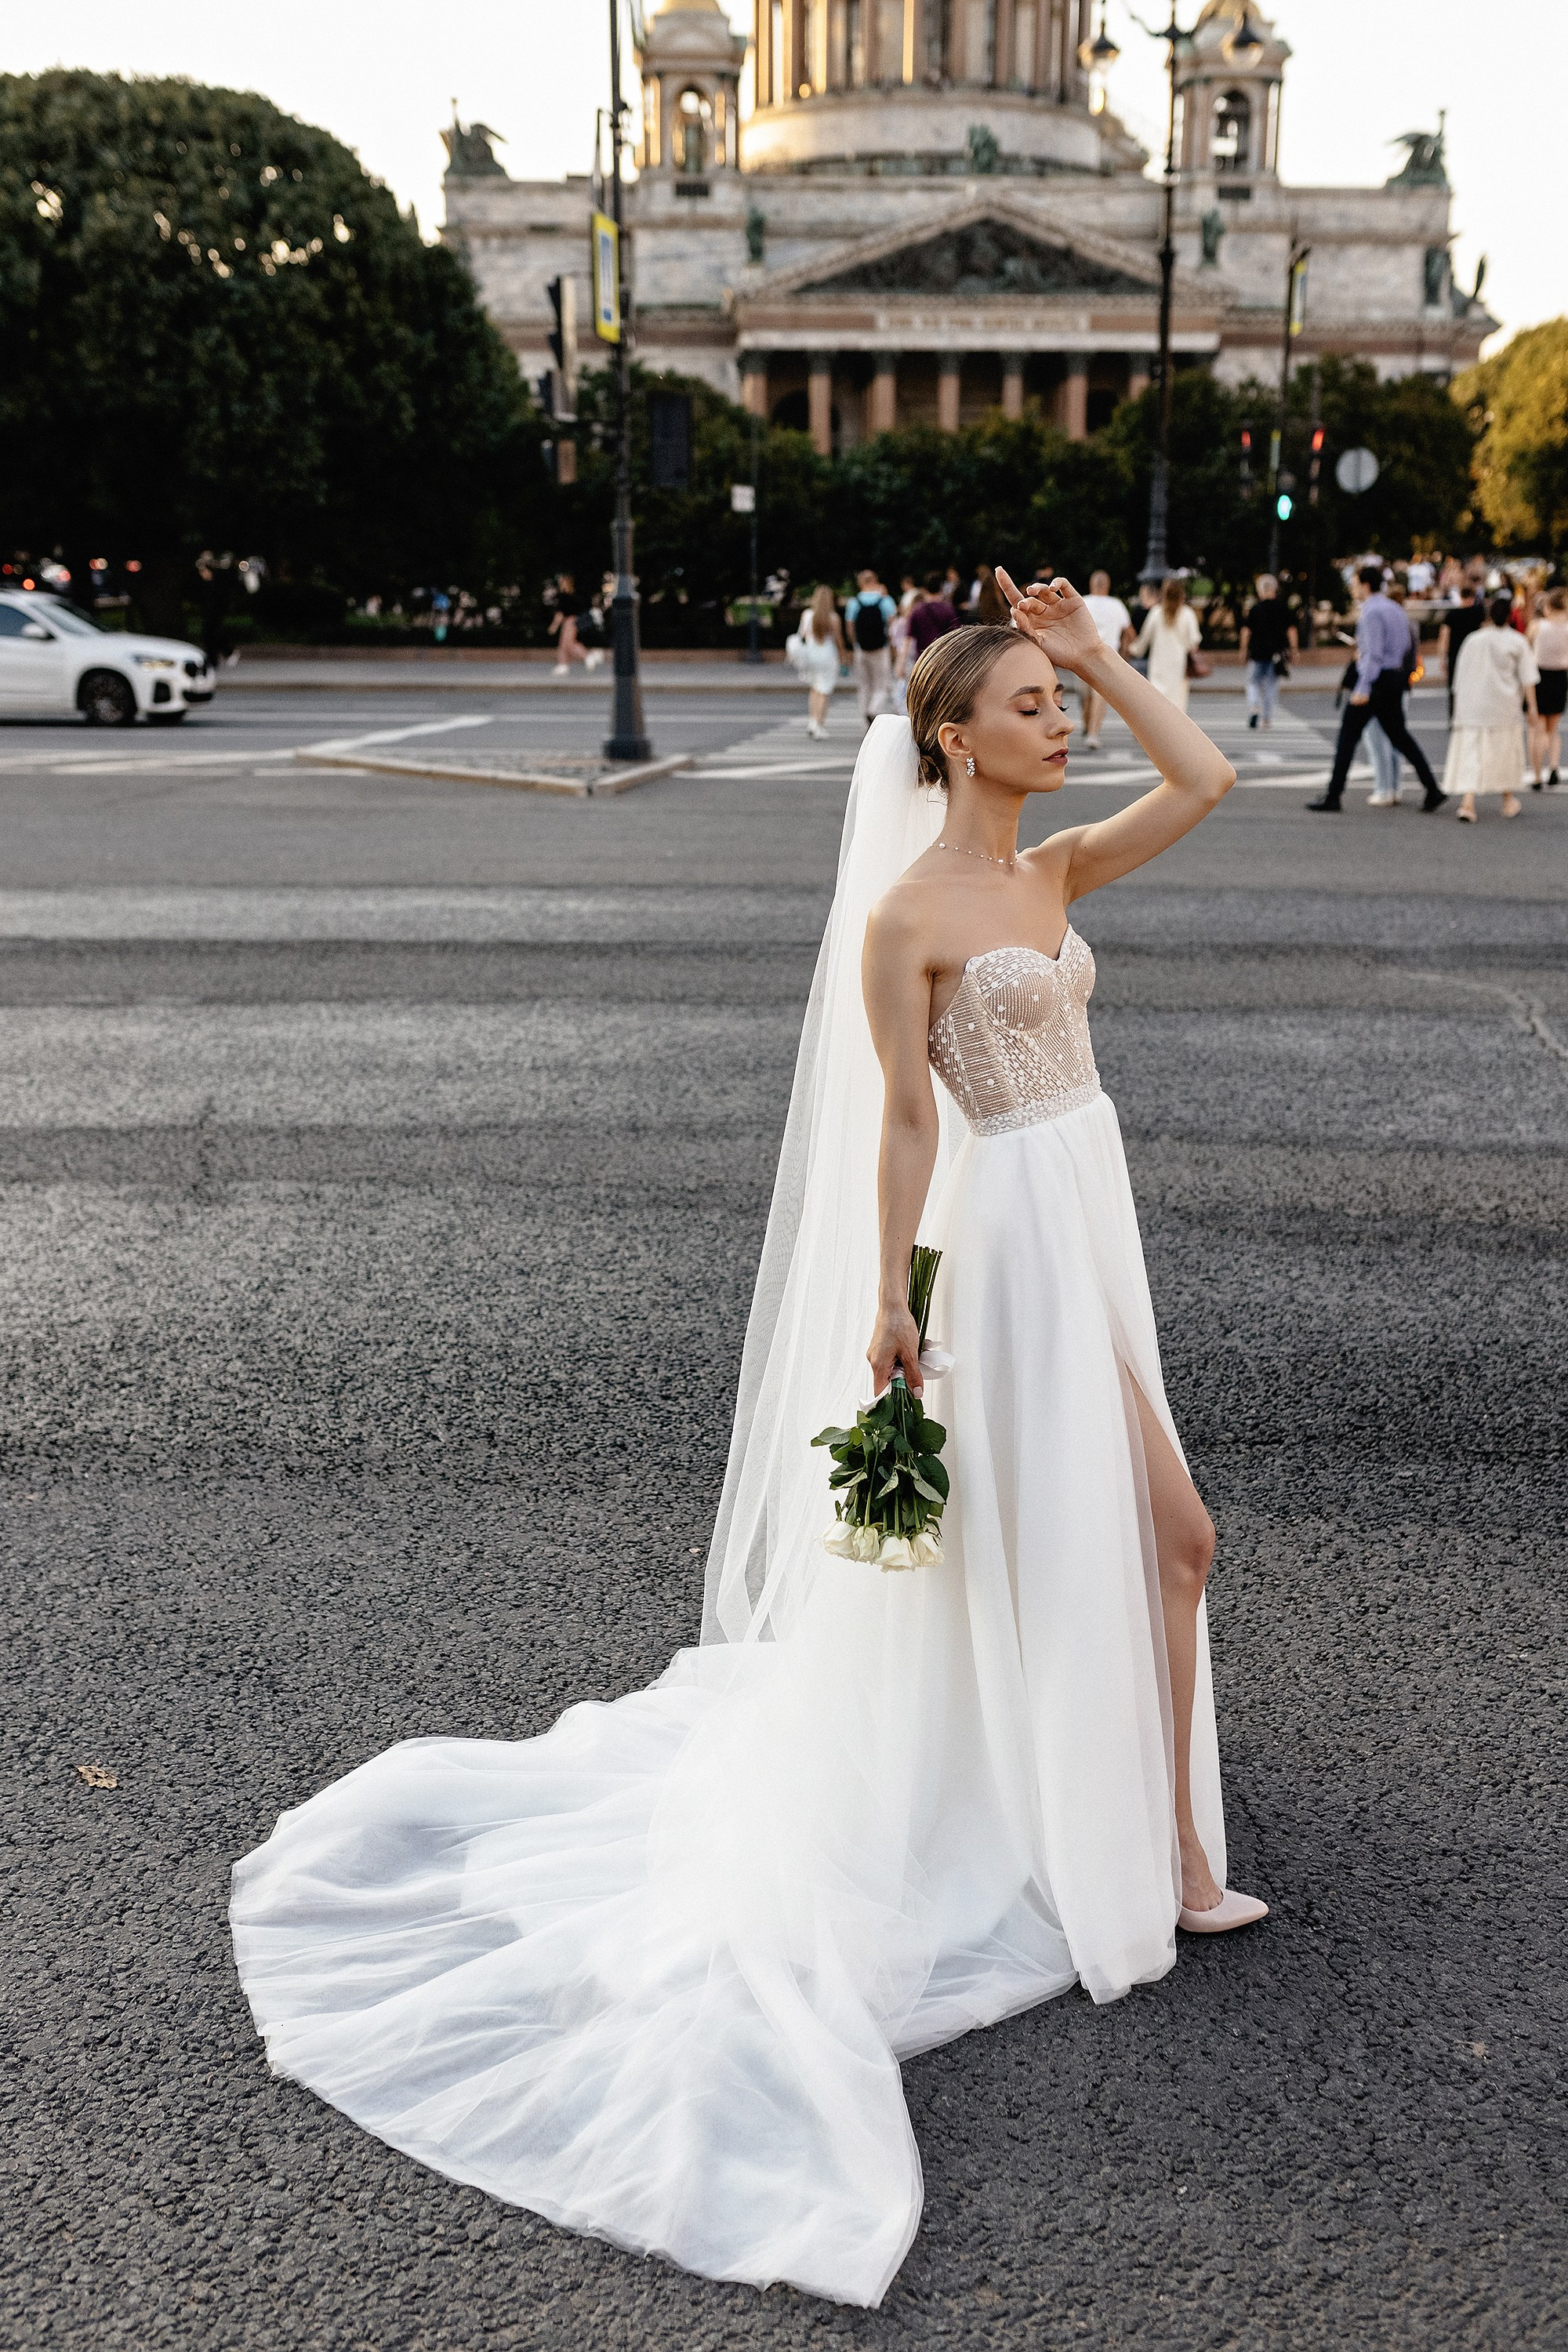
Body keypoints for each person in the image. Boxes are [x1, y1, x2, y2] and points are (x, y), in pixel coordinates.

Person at [230, 574, 1263, 2311]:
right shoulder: (910, 915)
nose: (1055, 725)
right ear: (948, 733)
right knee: (1158, 1533)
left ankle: (1155, 1842)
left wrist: (1100, 651)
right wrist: (892, 1295)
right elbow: (905, 1122)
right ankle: (1146, 1847)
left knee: (1154, 1536)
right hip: (1004, 1242)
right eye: (1025, 703)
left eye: (1055, 701)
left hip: (1091, 1207)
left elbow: (1211, 786)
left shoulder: (1052, 867)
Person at [1308, 564, 1446, 814]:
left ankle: (1333, 795)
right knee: (1400, 737)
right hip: (1394, 680)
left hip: (1375, 682)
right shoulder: (1395, 609)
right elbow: (1406, 647)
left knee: (1347, 739)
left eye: (1354, 583)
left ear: (1365, 585)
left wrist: (1363, 687)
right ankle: (1432, 789)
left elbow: (1373, 655)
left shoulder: (1371, 612)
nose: (1352, 588)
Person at [1443, 591, 1538, 822]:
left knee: (1472, 753)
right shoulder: (1517, 641)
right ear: (1509, 617)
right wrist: (1532, 709)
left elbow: (1460, 676)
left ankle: (1468, 803)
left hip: (1472, 706)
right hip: (1504, 706)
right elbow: (1528, 679)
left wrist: (1458, 705)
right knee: (1504, 752)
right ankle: (1507, 801)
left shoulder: (1473, 640)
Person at [1363, 579, 1421, 808]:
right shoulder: (1408, 622)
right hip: (1402, 684)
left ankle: (1384, 788)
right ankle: (1396, 787)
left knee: (1377, 738)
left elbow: (1376, 653)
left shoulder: (1386, 619)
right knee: (1397, 737)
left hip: (1383, 683)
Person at [1077, 568, 1134, 750]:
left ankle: (1087, 726)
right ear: (1108, 586)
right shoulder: (1117, 605)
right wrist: (1125, 648)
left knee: (1084, 696)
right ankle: (1093, 734)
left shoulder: (1083, 602)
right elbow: (1130, 632)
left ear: (1091, 585)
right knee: (1099, 697)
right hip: (1107, 657)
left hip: (1082, 656)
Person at [1131, 574, 1202, 713]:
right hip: (1179, 667)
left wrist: (1133, 649)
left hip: (1158, 666)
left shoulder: (1156, 613)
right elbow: (1194, 642)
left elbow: (1144, 640)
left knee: (1157, 707)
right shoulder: (1187, 614)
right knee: (1177, 706)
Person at [1237, 573, 1297, 732]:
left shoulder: (1255, 609)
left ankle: (1254, 707)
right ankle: (1267, 719)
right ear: (1274, 589)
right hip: (1275, 655)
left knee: (1252, 683)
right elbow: (1291, 630)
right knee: (1271, 687)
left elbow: (1246, 631)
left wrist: (1243, 650)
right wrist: (1294, 650)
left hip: (1257, 654)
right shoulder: (1283, 608)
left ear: (1260, 590)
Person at [788, 583, 846, 738]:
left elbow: (802, 635)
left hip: (811, 655)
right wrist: (844, 657)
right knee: (824, 691)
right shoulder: (833, 618)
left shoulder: (807, 615)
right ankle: (819, 724)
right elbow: (839, 640)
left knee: (814, 689)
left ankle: (812, 721)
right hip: (827, 656)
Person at [1437, 560, 1488, 720]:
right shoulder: (1479, 612)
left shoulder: (1451, 615)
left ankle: (1455, 717)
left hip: (1455, 655)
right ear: (1473, 597)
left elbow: (1444, 638)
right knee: (1474, 685)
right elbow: (1485, 631)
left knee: (1454, 687)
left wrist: (1442, 658)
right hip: (1474, 654)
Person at [844, 568, 898, 724]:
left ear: (861, 583)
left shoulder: (854, 602)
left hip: (861, 648)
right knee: (882, 684)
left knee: (864, 686)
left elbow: (849, 625)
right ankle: (873, 711)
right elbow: (893, 624)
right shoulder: (885, 601)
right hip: (881, 647)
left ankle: (865, 719)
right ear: (875, 581)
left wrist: (856, 642)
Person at [1529, 583, 1568, 787]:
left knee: (1538, 729)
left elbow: (1527, 649)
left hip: (1539, 677)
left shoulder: (1537, 626)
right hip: (1560, 677)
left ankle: (1537, 776)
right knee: (1553, 729)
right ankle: (1553, 766)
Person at [548, 574, 603, 676]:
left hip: (570, 621)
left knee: (568, 644)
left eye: (562, 581)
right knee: (564, 644)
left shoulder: (563, 596)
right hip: (575, 621)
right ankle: (564, 665)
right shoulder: (575, 595)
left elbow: (560, 613)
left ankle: (587, 657)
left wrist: (554, 626)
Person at [906, 569, 959, 660]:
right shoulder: (948, 609)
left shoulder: (917, 610)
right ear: (941, 588)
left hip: (923, 659)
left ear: (925, 589)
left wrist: (901, 663)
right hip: (943, 658)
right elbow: (956, 636)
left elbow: (908, 638)